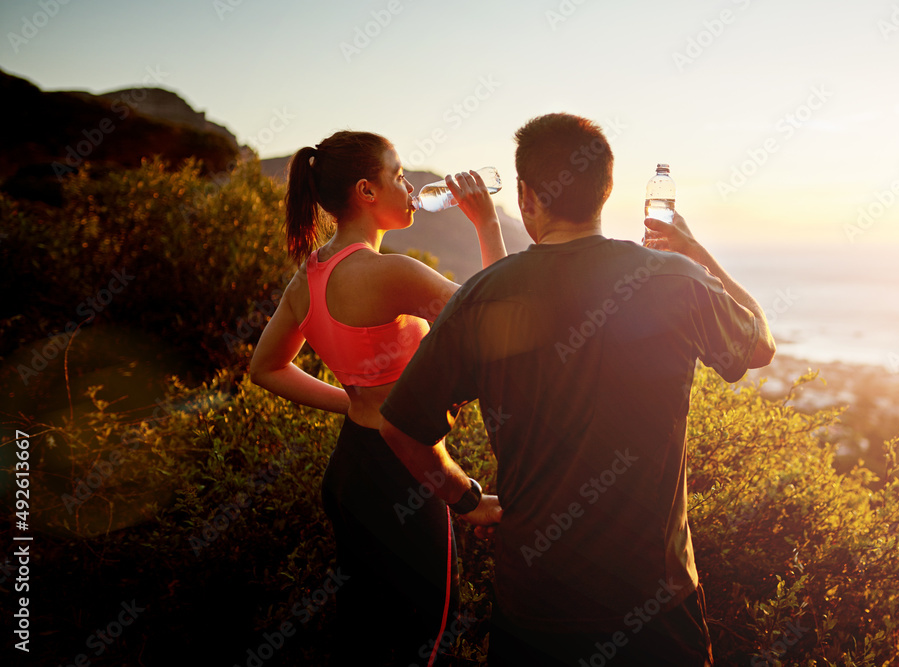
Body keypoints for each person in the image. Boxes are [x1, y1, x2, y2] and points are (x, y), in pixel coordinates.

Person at [378, 113, 776, 666]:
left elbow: (399, 425)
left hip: (535, 610)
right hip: (655, 608)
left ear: (526, 195)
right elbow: (759, 346)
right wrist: (695, 252)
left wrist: (465, 498)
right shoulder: (674, 280)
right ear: (606, 190)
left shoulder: (484, 296)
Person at [248, 130, 504, 666]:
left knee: (364, 636)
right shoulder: (390, 273)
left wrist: (353, 403)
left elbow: (265, 368)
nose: (410, 187)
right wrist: (486, 223)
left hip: (349, 473)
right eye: (398, 175)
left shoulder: (310, 274)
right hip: (403, 475)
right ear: (367, 190)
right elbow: (496, 323)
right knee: (421, 640)